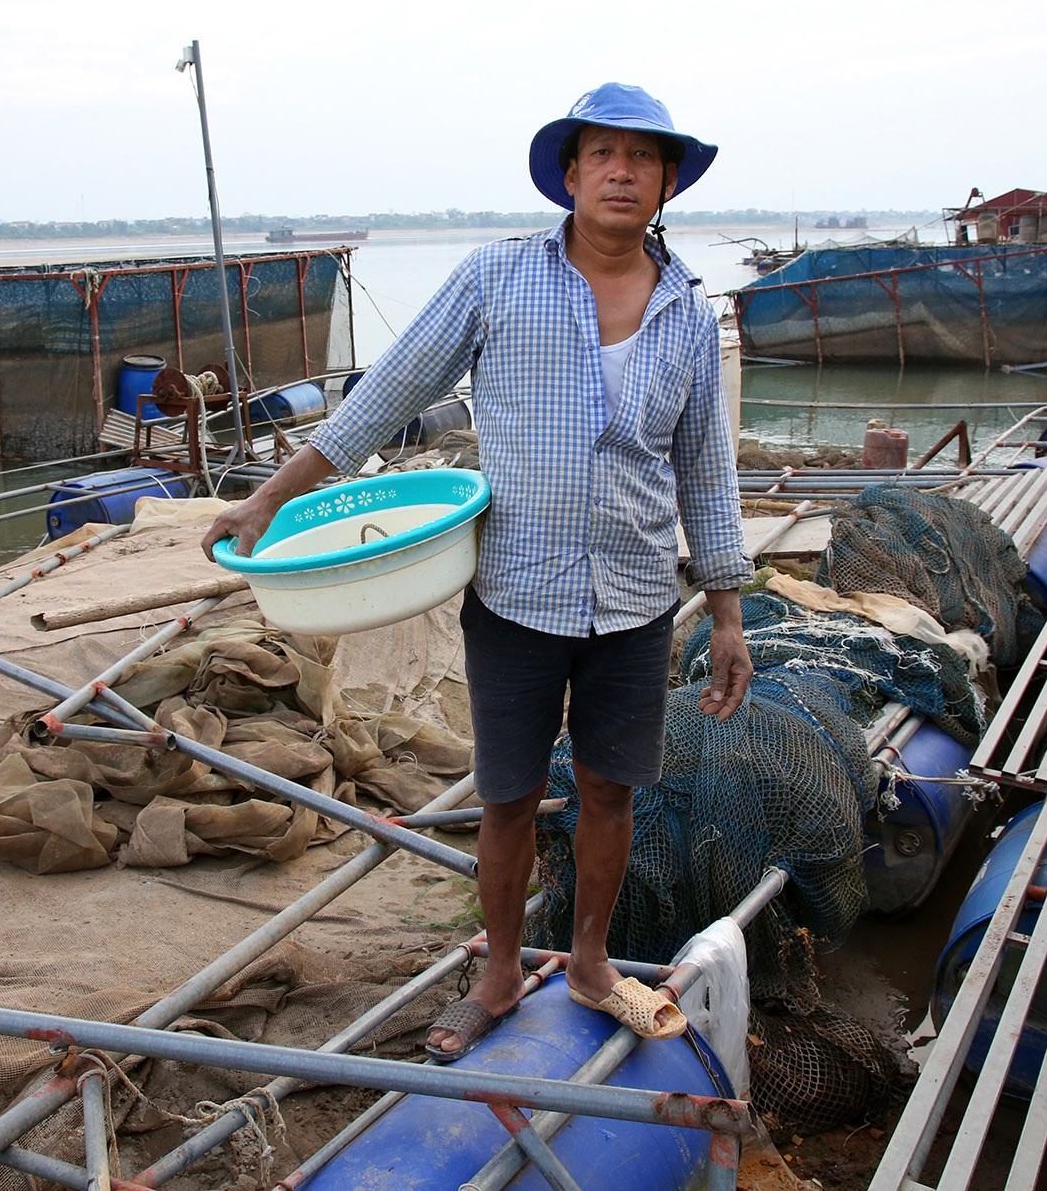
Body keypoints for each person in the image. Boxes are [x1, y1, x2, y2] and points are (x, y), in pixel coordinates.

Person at [203, 83, 754, 1059]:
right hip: (514, 595)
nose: (621, 172)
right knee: (502, 796)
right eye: (602, 155)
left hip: (632, 602)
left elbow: (705, 468)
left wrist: (725, 612)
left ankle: (588, 963)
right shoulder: (497, 279)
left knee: (610, 791)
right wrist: (267, 500)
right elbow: (384, 395)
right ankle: (498, 972)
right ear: (571, 175)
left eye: (642, 158)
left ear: (666, 181)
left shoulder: (687, 316)